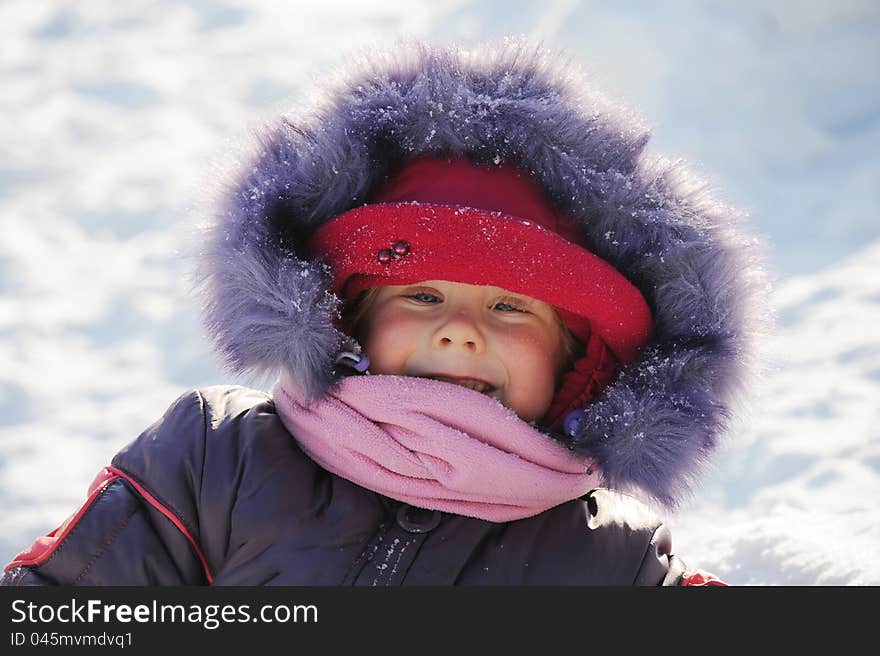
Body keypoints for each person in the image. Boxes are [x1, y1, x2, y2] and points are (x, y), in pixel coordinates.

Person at [1, 39, 763, 586]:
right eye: (421, 295)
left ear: (578, 363)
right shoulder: (216, 460)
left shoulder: (614, 562)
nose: (461, 329)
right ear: (348, 319)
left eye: (509, 307)